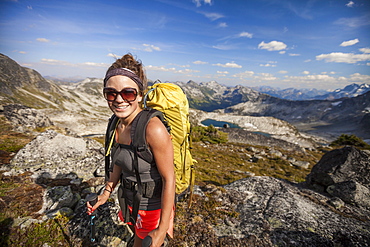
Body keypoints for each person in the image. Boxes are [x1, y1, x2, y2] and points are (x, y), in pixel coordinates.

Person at [87, 53, 175, 247]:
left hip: (151, 208)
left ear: (140, 94)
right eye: (111, 93)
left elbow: (170, 179)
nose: (119, 100)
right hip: (129, 199)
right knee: (137, 235)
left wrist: (161, 229)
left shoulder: (153, 129)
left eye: (128, 93)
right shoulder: (115, 124)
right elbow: (118, 161)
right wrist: (106, 192)